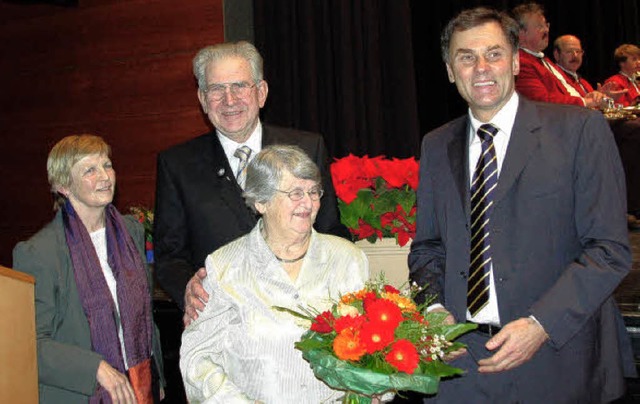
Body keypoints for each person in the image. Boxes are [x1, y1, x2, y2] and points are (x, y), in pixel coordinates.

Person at [408, 6, 636, 403]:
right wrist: (432, 312)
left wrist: (539, 324)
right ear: (450, 70)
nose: (481, 67)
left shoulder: (579, 131)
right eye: (466, 57)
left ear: (515, 61)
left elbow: (609, 249)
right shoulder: (436, 145)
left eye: (494, 53)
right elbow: (428, 248)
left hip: (555, 359)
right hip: (460, 366)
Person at [154, 41, 348, 324]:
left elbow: (331, 230)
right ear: (202, 98)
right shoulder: (177, 165)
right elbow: (169, 255)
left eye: (239, 86)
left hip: (302, 320)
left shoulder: (307, 147)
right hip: (224, 321)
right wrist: (188, 287)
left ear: (261, 92)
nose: (229, 100)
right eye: (217, 89)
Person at [179, 145, 368, 403]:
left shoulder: (348, 259)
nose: (309, 202)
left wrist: (374, 391)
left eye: (314, 192)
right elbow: (197, 358)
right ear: (261, 201)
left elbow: (377, 342)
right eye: (295, 193)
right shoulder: (225, 267)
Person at [13, 135, 165, 403]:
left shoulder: (131, 231)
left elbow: (144, 316)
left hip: (139, 388)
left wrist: (157, 377)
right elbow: (29, 345)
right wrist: (96, 368)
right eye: (90, 170)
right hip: (80, 394)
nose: (105, 177)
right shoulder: (39, 253)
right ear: (63, 185)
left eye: (107, 165)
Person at [513, 2, 606, 108]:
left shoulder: (544, 60)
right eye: (540, 26)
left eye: (546, 25)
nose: (546, 30)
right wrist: (585, 102)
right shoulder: (522, 63)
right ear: (521, 33)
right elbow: (540, 102)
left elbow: (564, 94)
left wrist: (588, 97)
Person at [552, 34, 626, 101]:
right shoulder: (552, 78)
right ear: (557, 55)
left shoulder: (583, 83)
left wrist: (604, 98)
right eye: (569, 51)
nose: (575, 55)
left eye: (578, 51)